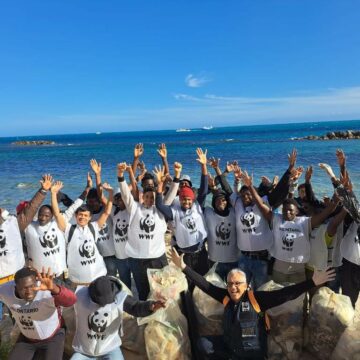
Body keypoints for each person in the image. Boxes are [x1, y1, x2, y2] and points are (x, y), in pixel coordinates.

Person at [170, 248, 335, 360]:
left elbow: (286, 294)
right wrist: (183, 267)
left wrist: (312, 282)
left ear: (247, 285)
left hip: (253, 355)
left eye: (238, 283)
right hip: (231, 350)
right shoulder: (225, 297)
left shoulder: (257, 299)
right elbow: (205, 285)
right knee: (202, 344)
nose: (233, 287)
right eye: (230, 284)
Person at [71, 275, 166, 359]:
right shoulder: (80, 294)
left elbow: (135, 307)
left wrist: (150, 306)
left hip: (110, 348)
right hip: (84, 350)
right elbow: (63, 294)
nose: (102, 305)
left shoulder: (120, 298)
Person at [0, 267, 76, 360]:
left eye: (32, 286)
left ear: (36, 282)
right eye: (24, 289)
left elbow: (71, 300)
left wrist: (54, 288)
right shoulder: (6, 291)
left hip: (53, 337)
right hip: (28, 339)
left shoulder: (46, 291)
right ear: (15, 287)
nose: (29, 292)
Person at [117, 162, 168, 300]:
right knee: (143, 291)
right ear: (142, 197)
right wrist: (121, 176)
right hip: (137, 260)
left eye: (152, 197)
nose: (150, 200)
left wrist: (163, 182)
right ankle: (145, 316)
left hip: (157, 258)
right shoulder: (135, 209)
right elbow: (126, 194)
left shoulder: (160, 210)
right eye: (147, 197)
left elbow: (170, 193)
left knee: (161, 289)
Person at [155, 149, 209, 278]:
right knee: (188, 284)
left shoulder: (197, 205)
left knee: (204, 282)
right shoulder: (174, 210)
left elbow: (204, 189)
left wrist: (203, 166)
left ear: (193, 199)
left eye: (189, 199)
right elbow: (159, 205)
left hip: (200, 252)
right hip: (184, 255)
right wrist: (160, 184)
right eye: (184, 199)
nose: (186, 202)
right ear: (180, 198)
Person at [51, 181, 113, 285]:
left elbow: (107, 212)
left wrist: (111, 193)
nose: (82, 217)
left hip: (98, 276)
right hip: (77, 280)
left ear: (90, 218)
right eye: (80, 215)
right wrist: (53, 194)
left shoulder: (94, 227)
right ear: (75, 216)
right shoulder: (69, 229)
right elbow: (57, 215)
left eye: (85, 215)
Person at [89, 159, 117, 276]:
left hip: (111, 254)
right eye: (89, 201)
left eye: (95, 201)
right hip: (96, 256)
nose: (92, 203)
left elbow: (101, 196)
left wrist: (97, 175)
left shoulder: (107, 211)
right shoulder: (86, 215)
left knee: (111, 278)